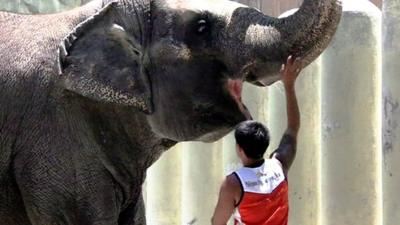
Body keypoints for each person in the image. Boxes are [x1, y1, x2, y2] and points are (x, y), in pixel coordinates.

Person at [211, 55, 302, 225]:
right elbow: (292, 127)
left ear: (240, 149)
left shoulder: (233, 183)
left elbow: (217, 222)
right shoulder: (279, 165)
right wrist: (289, 86)